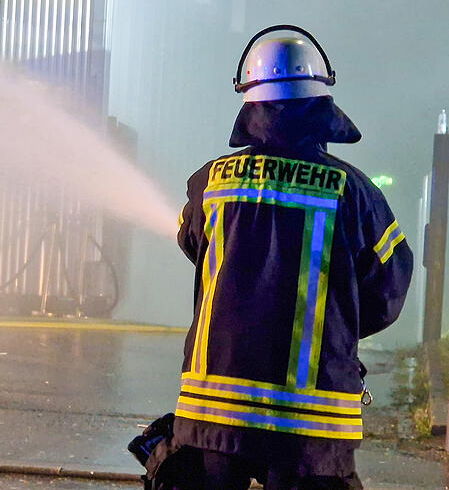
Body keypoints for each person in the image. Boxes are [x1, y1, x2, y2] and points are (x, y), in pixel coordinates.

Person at [173, 25, 413, 490]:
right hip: (312, 429)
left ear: (249, 101)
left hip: (213, 418)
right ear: (322, 103)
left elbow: (192, 245)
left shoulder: (211, 183)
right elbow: (388, 290)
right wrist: (334, 325)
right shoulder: (355, 192)